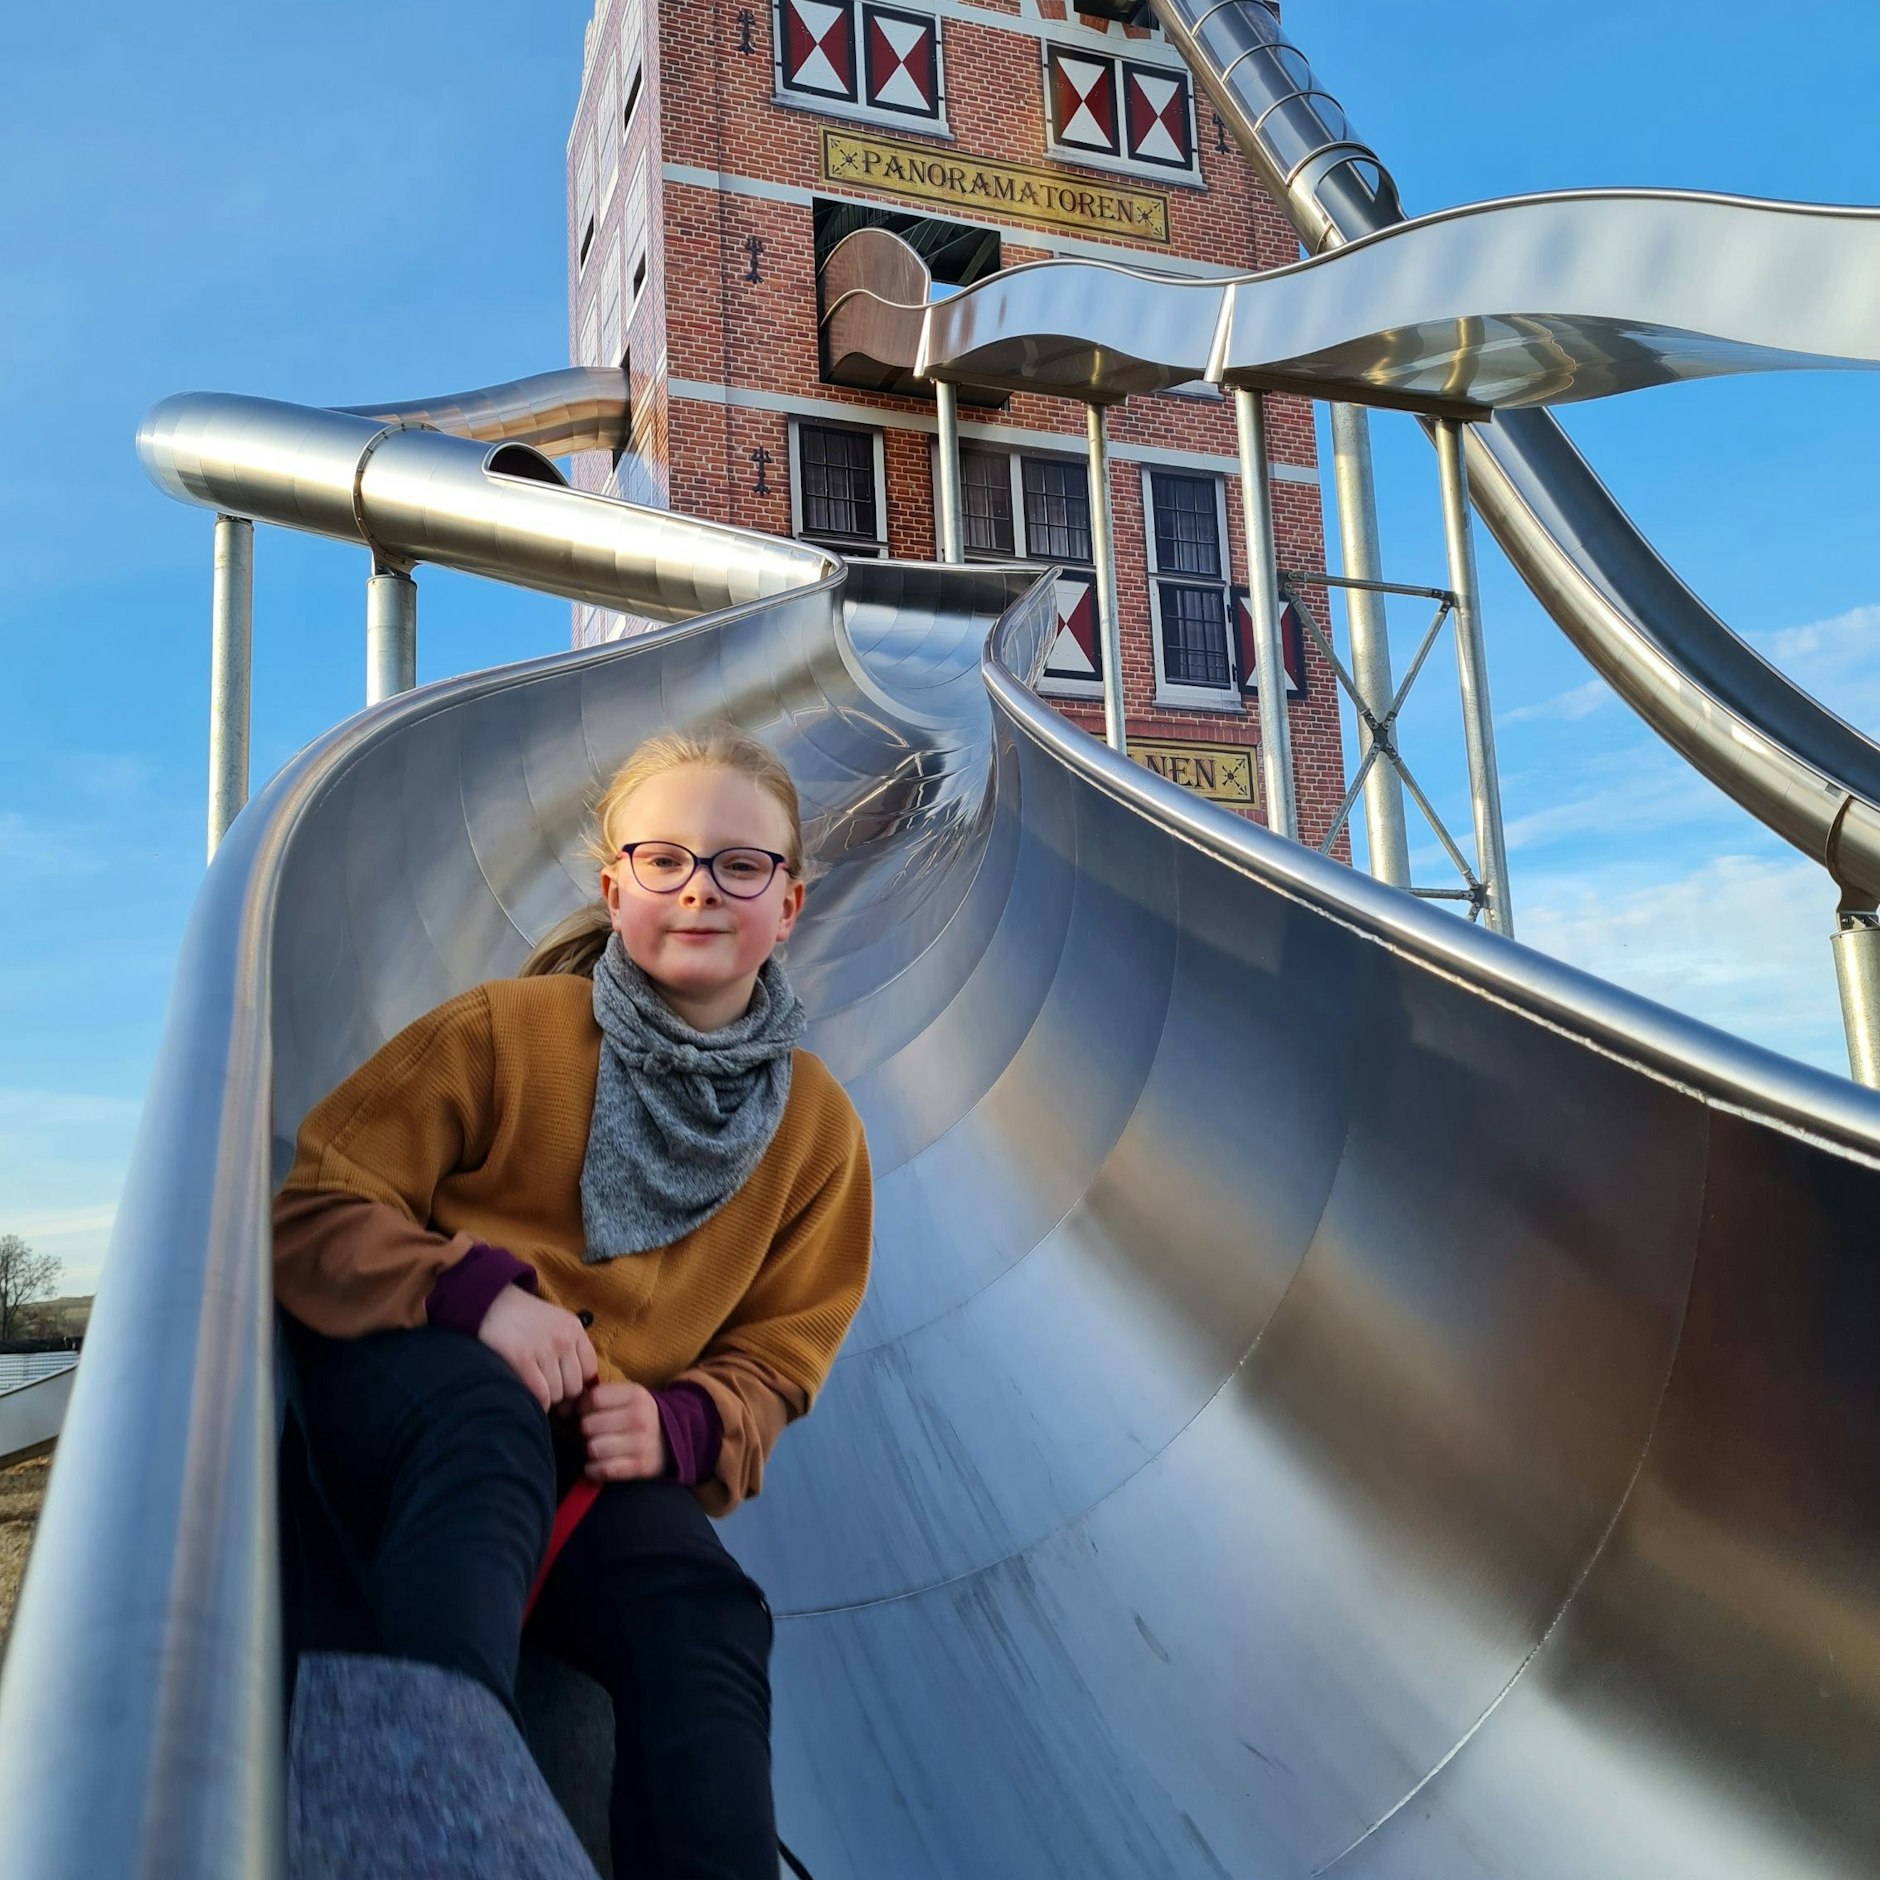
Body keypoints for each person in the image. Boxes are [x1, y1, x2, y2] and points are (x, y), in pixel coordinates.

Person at [272, 722, 873, 1880]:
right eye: (665, 859)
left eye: (740, 864)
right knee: (487, 1414)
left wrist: (680, 1421)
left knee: (706, 1610)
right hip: (418, 1388)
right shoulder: (507, 1032)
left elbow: (779, 1356)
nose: (699, 888)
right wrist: (479, 1293)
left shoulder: (816, 1130)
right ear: (615, 885)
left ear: (787, 904)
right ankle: (427, 1816)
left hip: (589, 1447)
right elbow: (318, 1205)